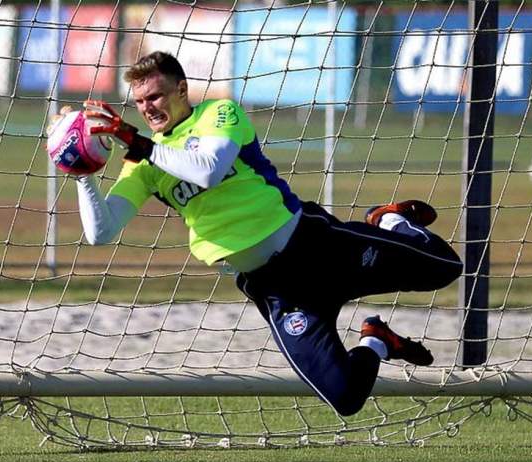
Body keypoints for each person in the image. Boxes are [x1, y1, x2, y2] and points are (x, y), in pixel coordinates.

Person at [59, 51, 463, 416]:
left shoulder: (219, 114)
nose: (148, 108)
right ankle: (377, 339)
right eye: (141, 101)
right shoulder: (144, 164)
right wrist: (82, 173)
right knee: (345, 398)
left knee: (446, 267)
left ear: (181, 89)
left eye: (156, 96)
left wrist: (137, 141)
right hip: (276, 289)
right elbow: (101, 232)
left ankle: (388, 220)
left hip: (316, 247)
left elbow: (207, 169)